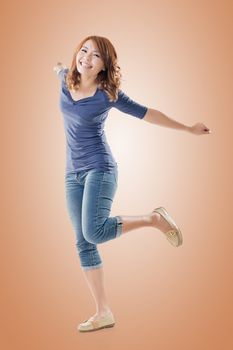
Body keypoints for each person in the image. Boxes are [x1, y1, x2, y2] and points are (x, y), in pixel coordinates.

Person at [53, 35, 211, 332]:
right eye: (83, 51)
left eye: (96, 56)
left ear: (104, 66)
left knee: (94, 231)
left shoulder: (107, 94)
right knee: (83, 243)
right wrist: (58, 66)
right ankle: (103, 313)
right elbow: (60, 67)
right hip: (71, 174)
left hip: (100, 169)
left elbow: (148, 113)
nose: (86, 58)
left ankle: (154, 218)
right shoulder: (65, 80)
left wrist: (189, 128)